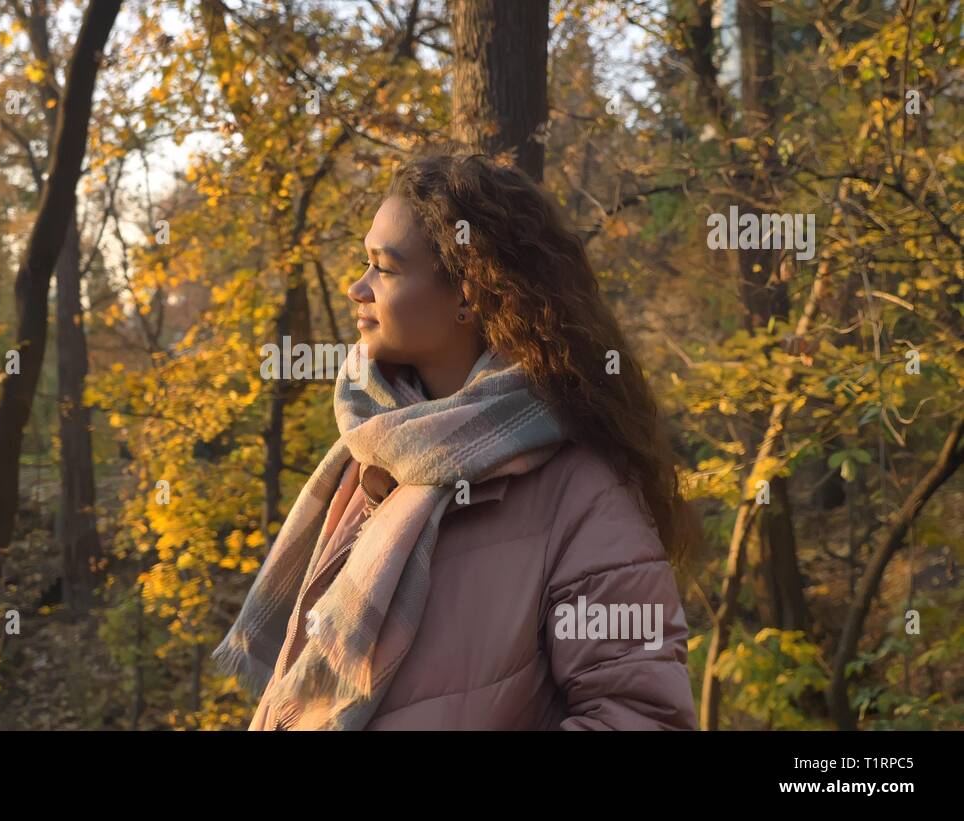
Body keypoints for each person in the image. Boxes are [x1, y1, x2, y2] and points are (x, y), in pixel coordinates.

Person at [212, 148, 701, 730]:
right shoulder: (375, 455)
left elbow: (641, 718)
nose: (355, 288)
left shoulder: (586, 494)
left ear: (467, 296)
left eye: (383, 268)